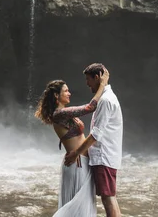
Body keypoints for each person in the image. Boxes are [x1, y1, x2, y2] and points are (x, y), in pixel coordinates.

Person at [35, 69, 109, 217]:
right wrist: (103, 85)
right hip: (77, 163)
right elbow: (90, 107)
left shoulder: (63, 113)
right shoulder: (60, 114)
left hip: (80, 162)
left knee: (82, 205)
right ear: (57, 95)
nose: (69, 93)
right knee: (78, 208)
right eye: (66, 91)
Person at [64, 63, 123, 217]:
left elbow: (97, 134)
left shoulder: (105, 100)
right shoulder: (107, 97)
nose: (86, 83)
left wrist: (76, 153)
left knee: (107, 198)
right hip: (107, 156)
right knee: (110, 197)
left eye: (88, 79)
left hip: (104, 157)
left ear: (97, 77)